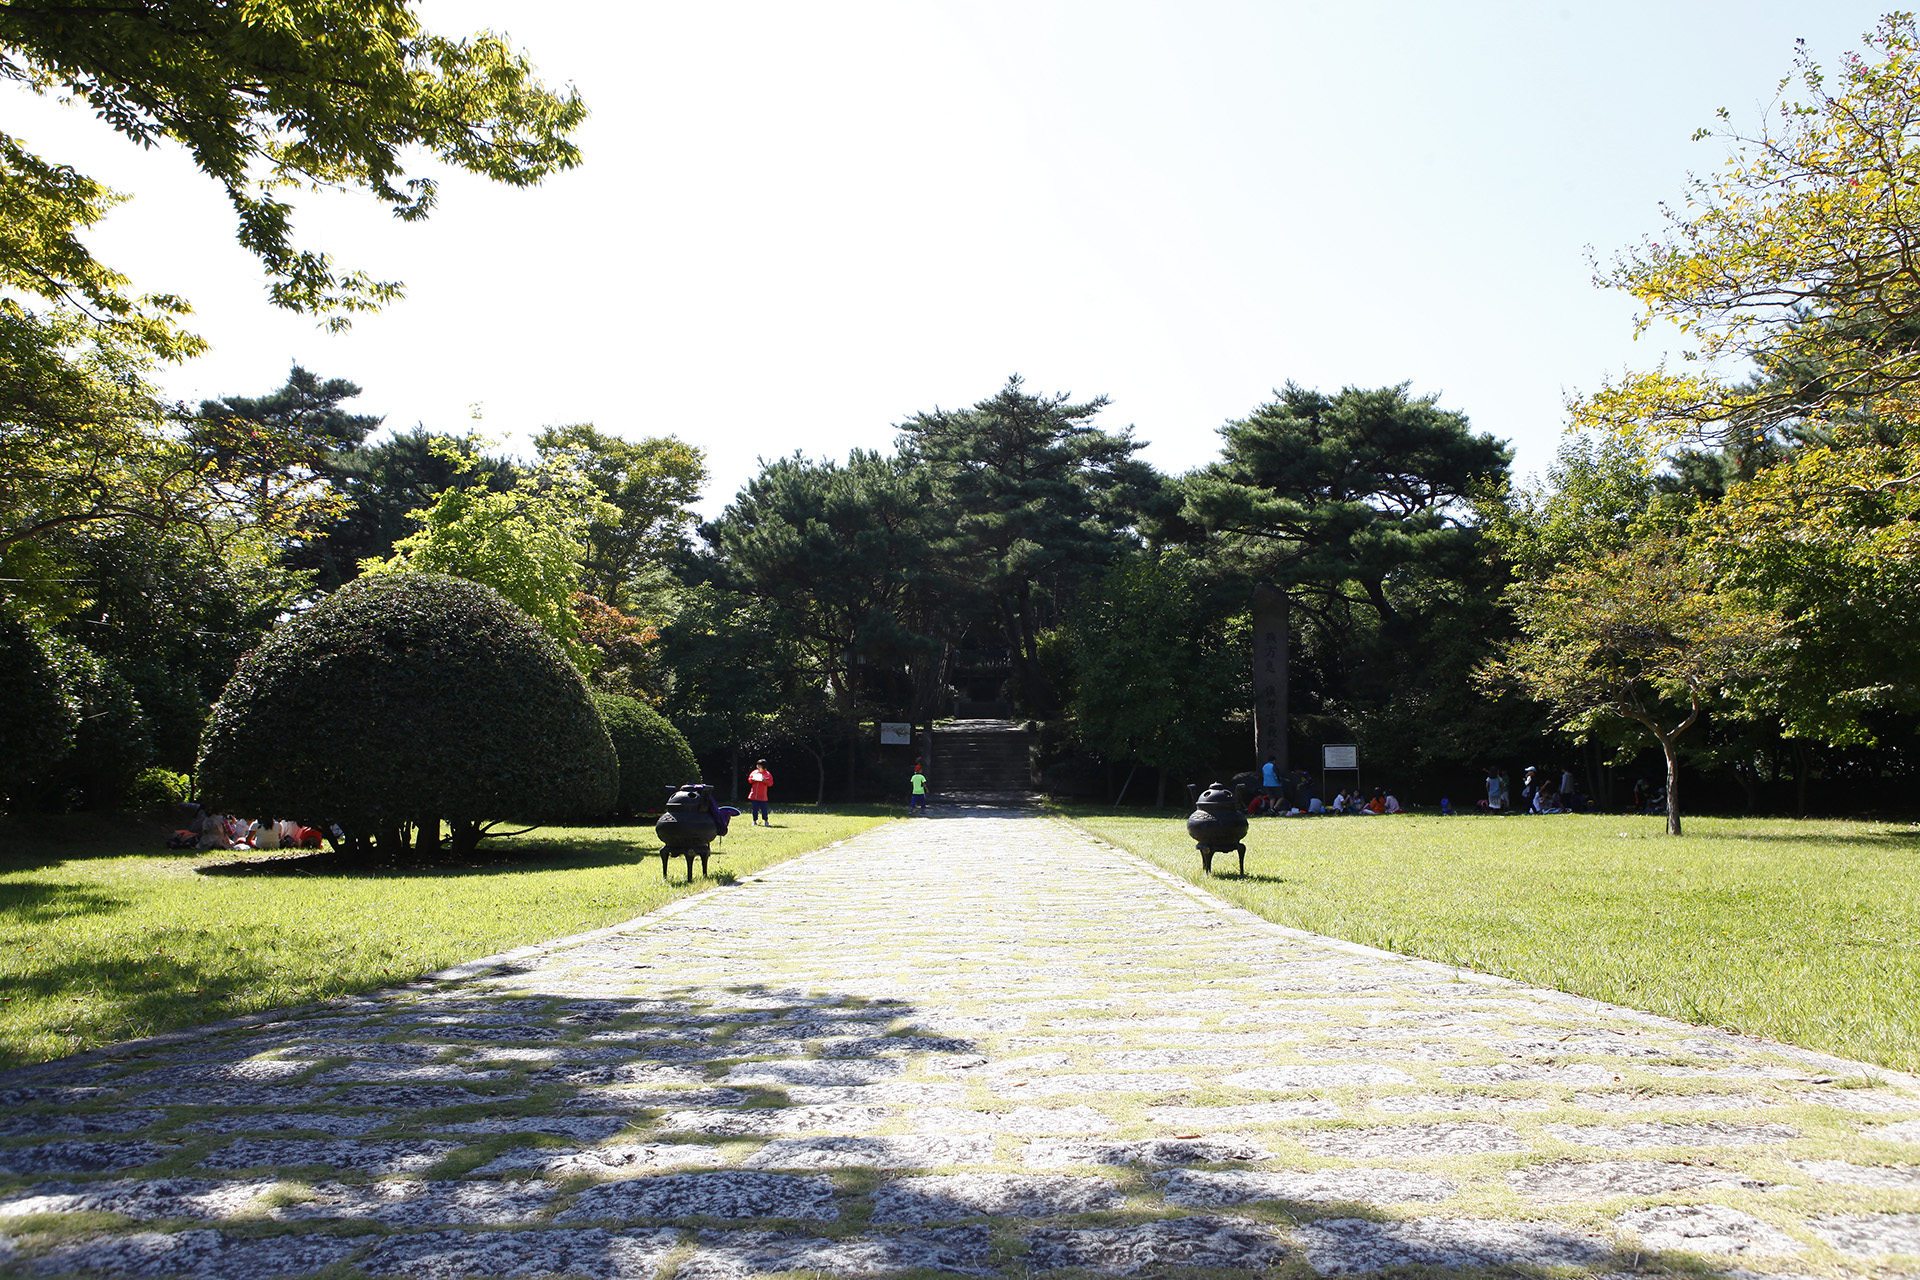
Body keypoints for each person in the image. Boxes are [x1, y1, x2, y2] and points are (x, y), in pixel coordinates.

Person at [747, 759, 773, 825]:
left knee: (764, 809)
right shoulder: (754, 772)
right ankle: (754, 820)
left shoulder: (767, 774)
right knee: (754, 809)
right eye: (758, 765)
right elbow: (749, 779)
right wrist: (752, 779)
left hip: (762, 796)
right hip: (754, 795)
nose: (758, 767)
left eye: (760, 766)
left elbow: (770, 783)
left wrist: (765, 781)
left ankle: (766, 821)